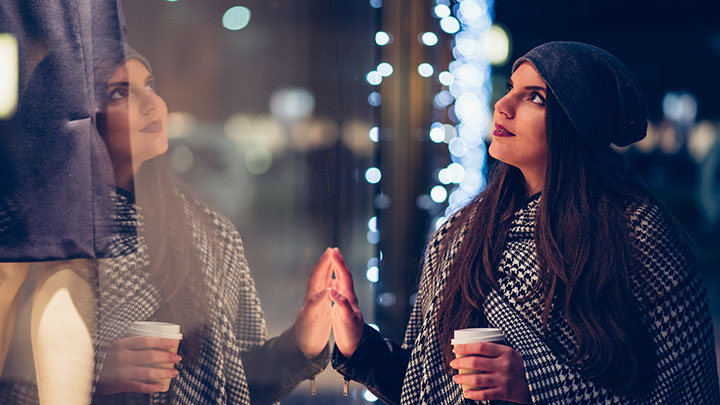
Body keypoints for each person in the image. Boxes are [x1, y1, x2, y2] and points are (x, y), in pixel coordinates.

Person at [327, 42, 720, 404]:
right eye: (511, 87)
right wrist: (360, 347)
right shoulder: (460, 232)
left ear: (577, 125)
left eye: (535, 98)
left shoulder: (636, 234)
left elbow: (680, 390)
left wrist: (533, 387)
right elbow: (427, 383)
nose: (504, 105)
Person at [89, 43, 337, 404]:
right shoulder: (45, 236)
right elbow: (15, 368)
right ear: (82, 116)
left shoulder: (205, 228)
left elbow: (234, 382)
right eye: (119, 93)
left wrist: (300, 344)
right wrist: (92, 371)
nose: (152, 104)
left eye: (151, 85)